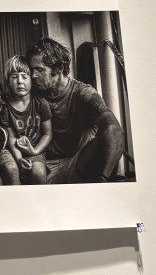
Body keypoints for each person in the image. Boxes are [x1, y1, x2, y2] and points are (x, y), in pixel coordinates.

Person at [26, 37, 125, 183]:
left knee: (103, 142)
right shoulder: (32, 93)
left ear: (59, 69)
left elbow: (114, 130)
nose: (33, 76)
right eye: (32, 70)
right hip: (42, 166)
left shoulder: (83, 93)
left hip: (76, 164)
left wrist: (103, 179)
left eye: (40, 70)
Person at [1, 55, 52, 184]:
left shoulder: (41, 103)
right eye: (14, 77)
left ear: (32, 80)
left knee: (39, 172)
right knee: (11, 170)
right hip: (13, 151)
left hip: (35, 149)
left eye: (24, 76)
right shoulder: (5, 106)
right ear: (8, 81)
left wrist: (35, 151)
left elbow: (48, 133)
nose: (20, 81)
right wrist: (19, 159)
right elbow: (11, 136)